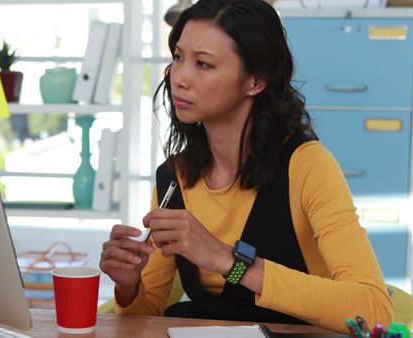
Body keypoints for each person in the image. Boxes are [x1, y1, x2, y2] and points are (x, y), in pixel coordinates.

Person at [98, 0, 393, 333]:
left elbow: (374, 308)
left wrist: (229, 262)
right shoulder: (174, 175)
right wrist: (128, 285)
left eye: (203, 64)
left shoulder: (307, 165)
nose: (179, 77)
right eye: (178, 57)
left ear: (256, 80)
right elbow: (146, 315)